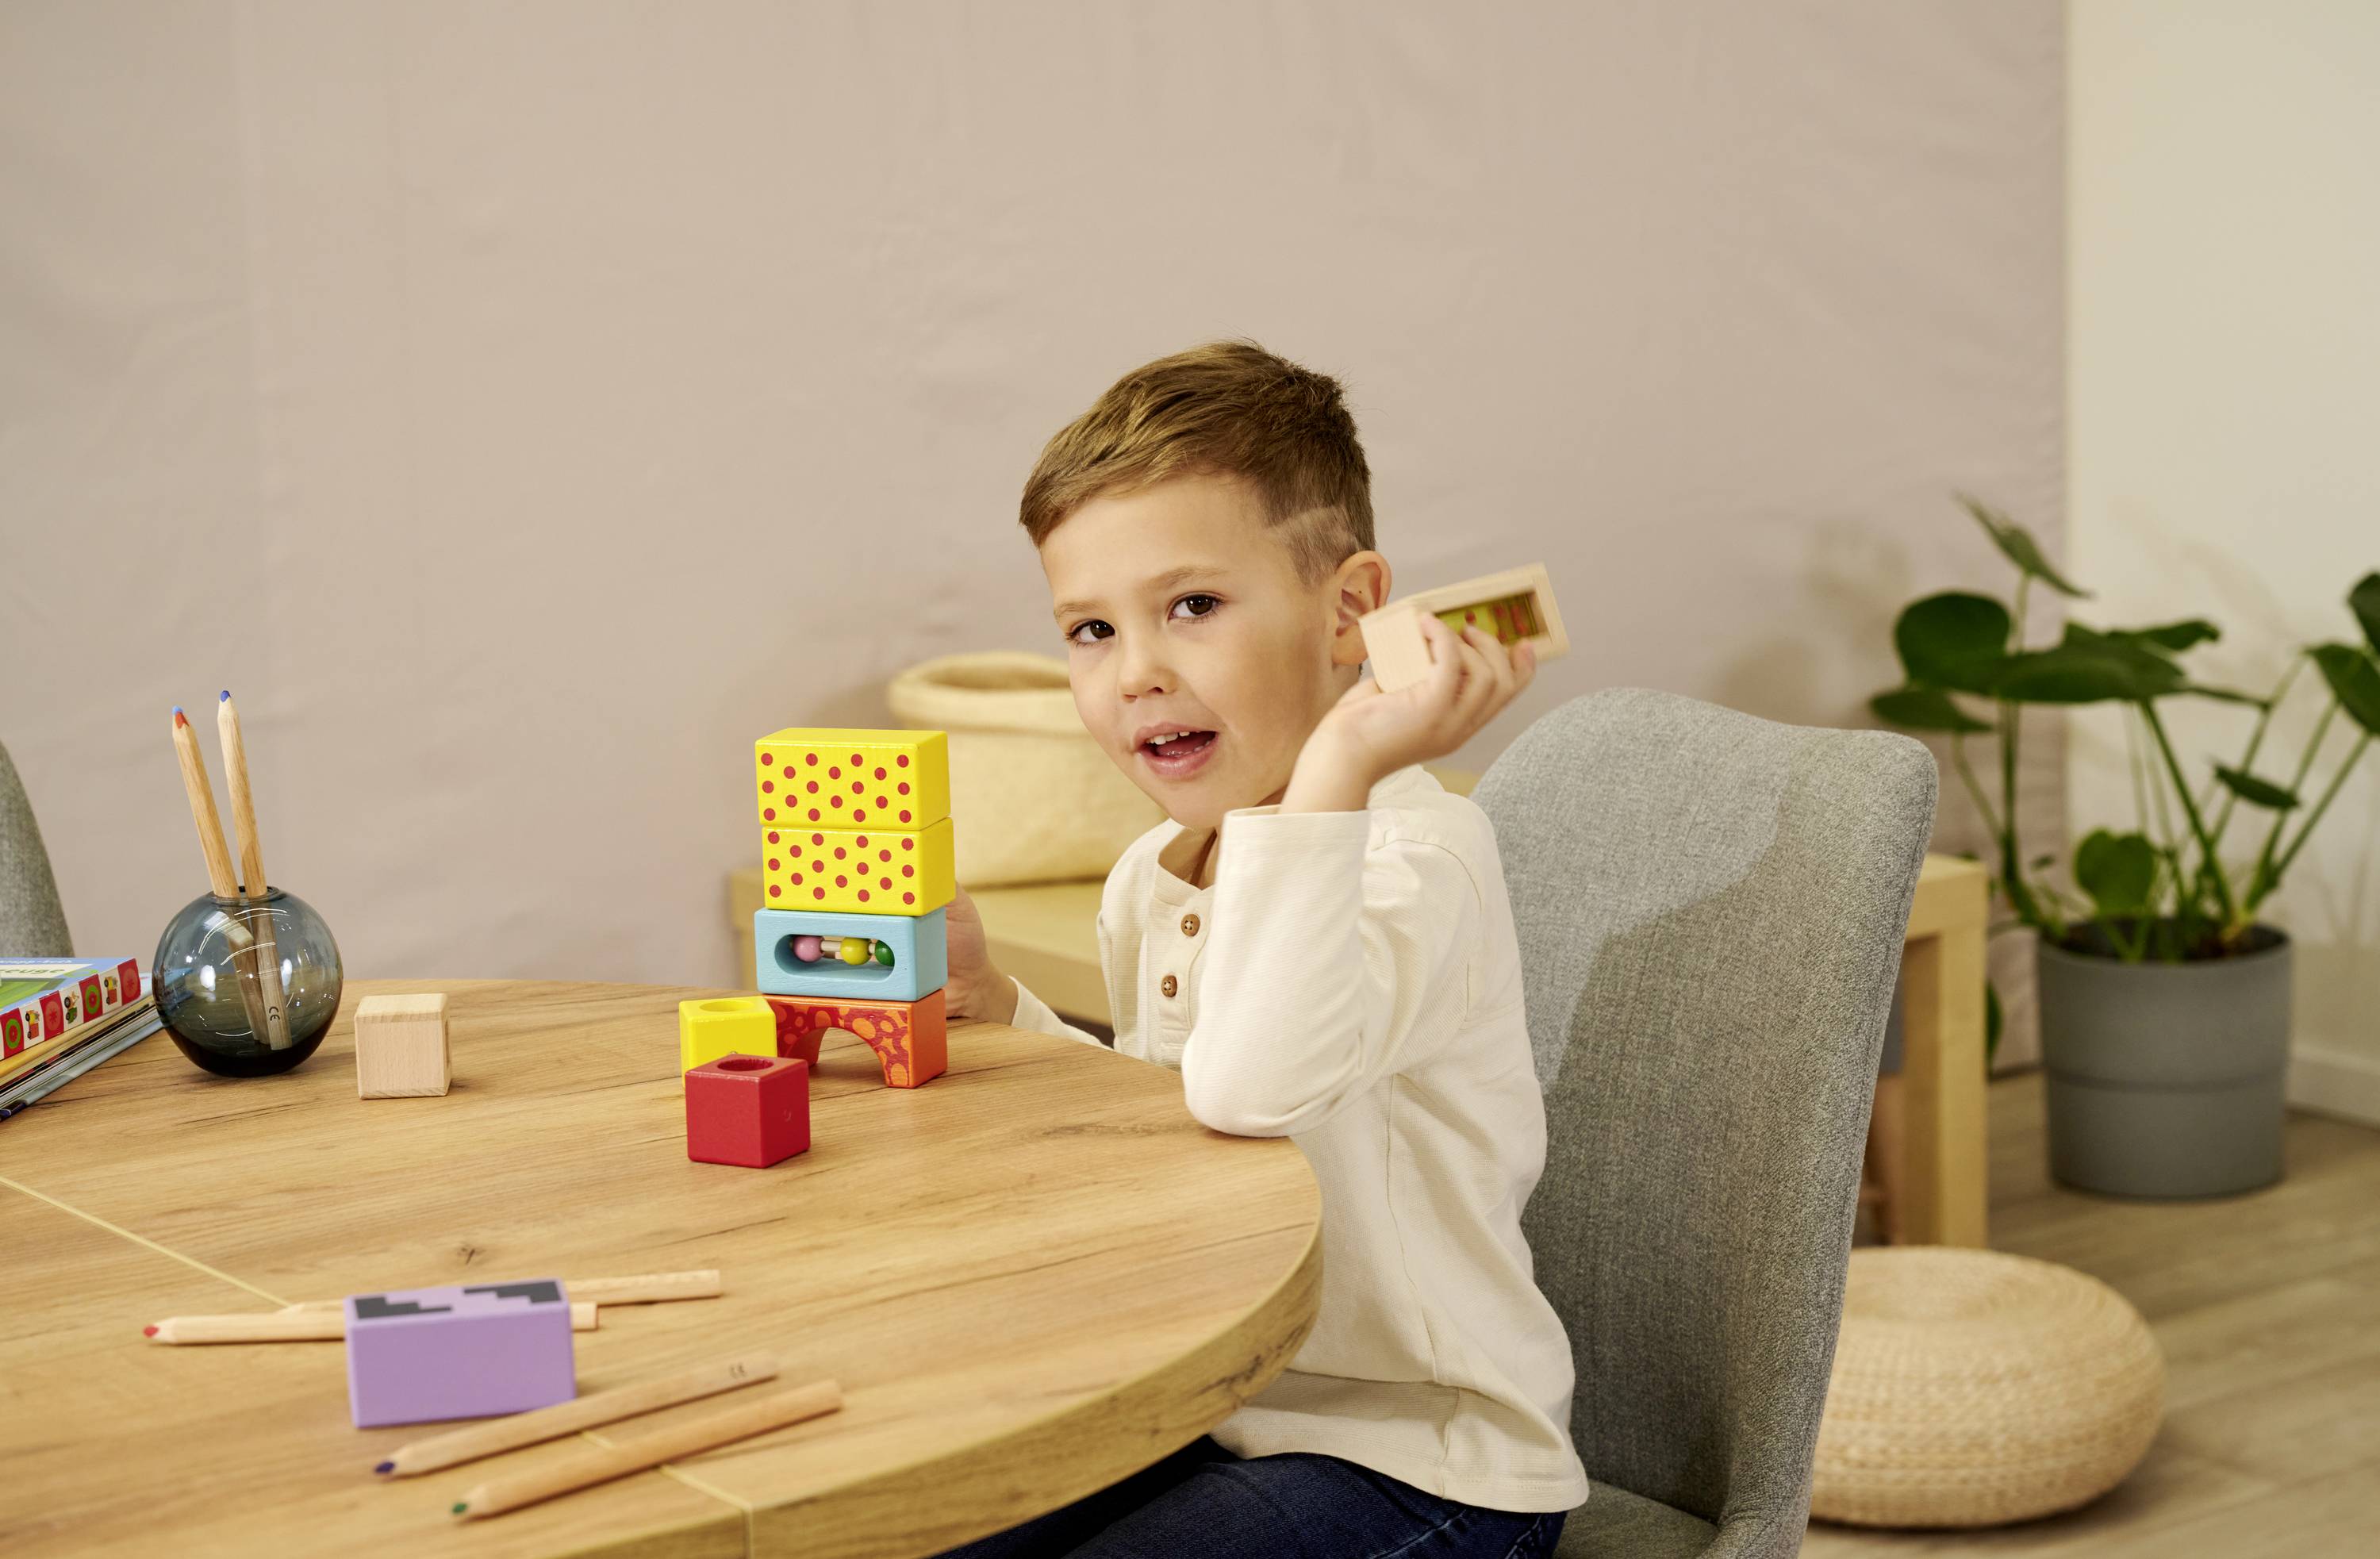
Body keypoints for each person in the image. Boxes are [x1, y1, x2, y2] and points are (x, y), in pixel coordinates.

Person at [936, 340, 1583, 1558]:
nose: (1137, 672)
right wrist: (997, 1004)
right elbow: (1168, 1111)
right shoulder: (1156, 870)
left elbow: (1248, 1090)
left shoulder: (1414, 856)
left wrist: (1339, 766)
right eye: (1088, 628)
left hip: (1420, 1466)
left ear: (1349, 610)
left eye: (1192, 606)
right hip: (1210, 1409)